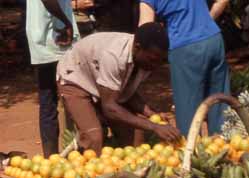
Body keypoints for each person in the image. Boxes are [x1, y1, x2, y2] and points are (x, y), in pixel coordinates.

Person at [56, 23, 181, 153]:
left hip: (100, 81)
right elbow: (110, 108)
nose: (156, 65)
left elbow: (127, 90)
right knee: (93, 137)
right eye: (153, 60)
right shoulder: (114, 56)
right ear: (137, 48)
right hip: (75, 78)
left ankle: (127, 171)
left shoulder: (146, 59)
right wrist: (154, 127)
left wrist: (151, 113)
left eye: (161, 61)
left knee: (136, 134)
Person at [139, 0, 230, 137]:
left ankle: (192, 153)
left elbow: (145, 29)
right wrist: (207, 22)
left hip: (184, 47)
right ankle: (226, 147)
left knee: (188, 109)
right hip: (214, 40)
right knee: (220, 102)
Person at [25, 0, 79, 157]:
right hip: (56, 38)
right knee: (73, 98)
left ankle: (52, 157)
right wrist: (66, 21)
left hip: (43, 40)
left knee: (48, 101)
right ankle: (74, 154)